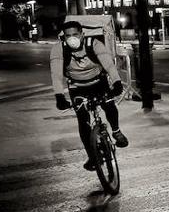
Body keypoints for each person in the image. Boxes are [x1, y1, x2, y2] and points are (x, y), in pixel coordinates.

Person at [51, 20, 128, 171]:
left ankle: (117, 132)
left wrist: (117, 82)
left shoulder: (94, 44)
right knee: (82, 120)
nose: (71, 38)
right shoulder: (58, 49)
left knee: (109, 104)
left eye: (75, 34)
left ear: (82, 34)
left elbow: (109, 65)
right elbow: (56, 74)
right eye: (67, 35)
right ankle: (93, 156)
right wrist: (59, 96)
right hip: (77, 87)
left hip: (99, 82)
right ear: (63, 37)